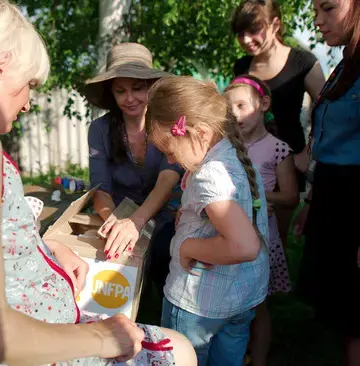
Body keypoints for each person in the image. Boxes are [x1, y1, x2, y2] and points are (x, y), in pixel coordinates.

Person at [0, 1, 196, 365]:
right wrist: (99, 336)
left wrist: (48, 251)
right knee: (178, 350)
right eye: (29, 85)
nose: (26, 104)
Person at [147, 75, 270, 366]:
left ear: (199, 132)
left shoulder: (210, 175)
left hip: (198, 304)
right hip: (241, 298)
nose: (171, 160)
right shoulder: (232, 153)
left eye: (169, 150)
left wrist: (188, 248)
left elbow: (243, 246)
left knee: (181, 358)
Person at [84, 42, 182, 300]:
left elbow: (168, 177)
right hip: (118, 212)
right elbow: (100, 187)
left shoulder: (168, 123)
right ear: (112, 95)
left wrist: (136, 222)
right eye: (120, 91)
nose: (129, 98)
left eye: (137, 88)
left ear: (151, 88)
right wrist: (115, 222)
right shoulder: (99, 130)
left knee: (165, 258)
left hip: (166, 217)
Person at [295, 0, 360, 365]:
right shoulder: (342, 66)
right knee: (345, 312)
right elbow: (325, 142)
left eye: (329, 8)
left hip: (355, 198)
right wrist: (311, 200)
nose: (318, 22)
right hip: (333, 195)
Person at [231, 0, 326, 244]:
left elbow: (326, 110)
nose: (246, 39)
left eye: (254, 30)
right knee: (243, 237)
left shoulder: (303, 62)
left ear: (275, 25)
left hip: (288, 163)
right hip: (249, 162)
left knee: (274, 241)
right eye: (240, 33)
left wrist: (308, 151)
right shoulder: (241, 66)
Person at [224, 75, 298, 366]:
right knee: (231, 299)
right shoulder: (226, 146)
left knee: (258, 304)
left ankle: (261, 358)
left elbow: (291, 197)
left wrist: (256, 196)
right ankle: (235, 352)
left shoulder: (278, 149)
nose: (236, 115)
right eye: (230, 110)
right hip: (230, 232)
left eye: (242, 106)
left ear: (263, 104)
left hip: (261, 236)